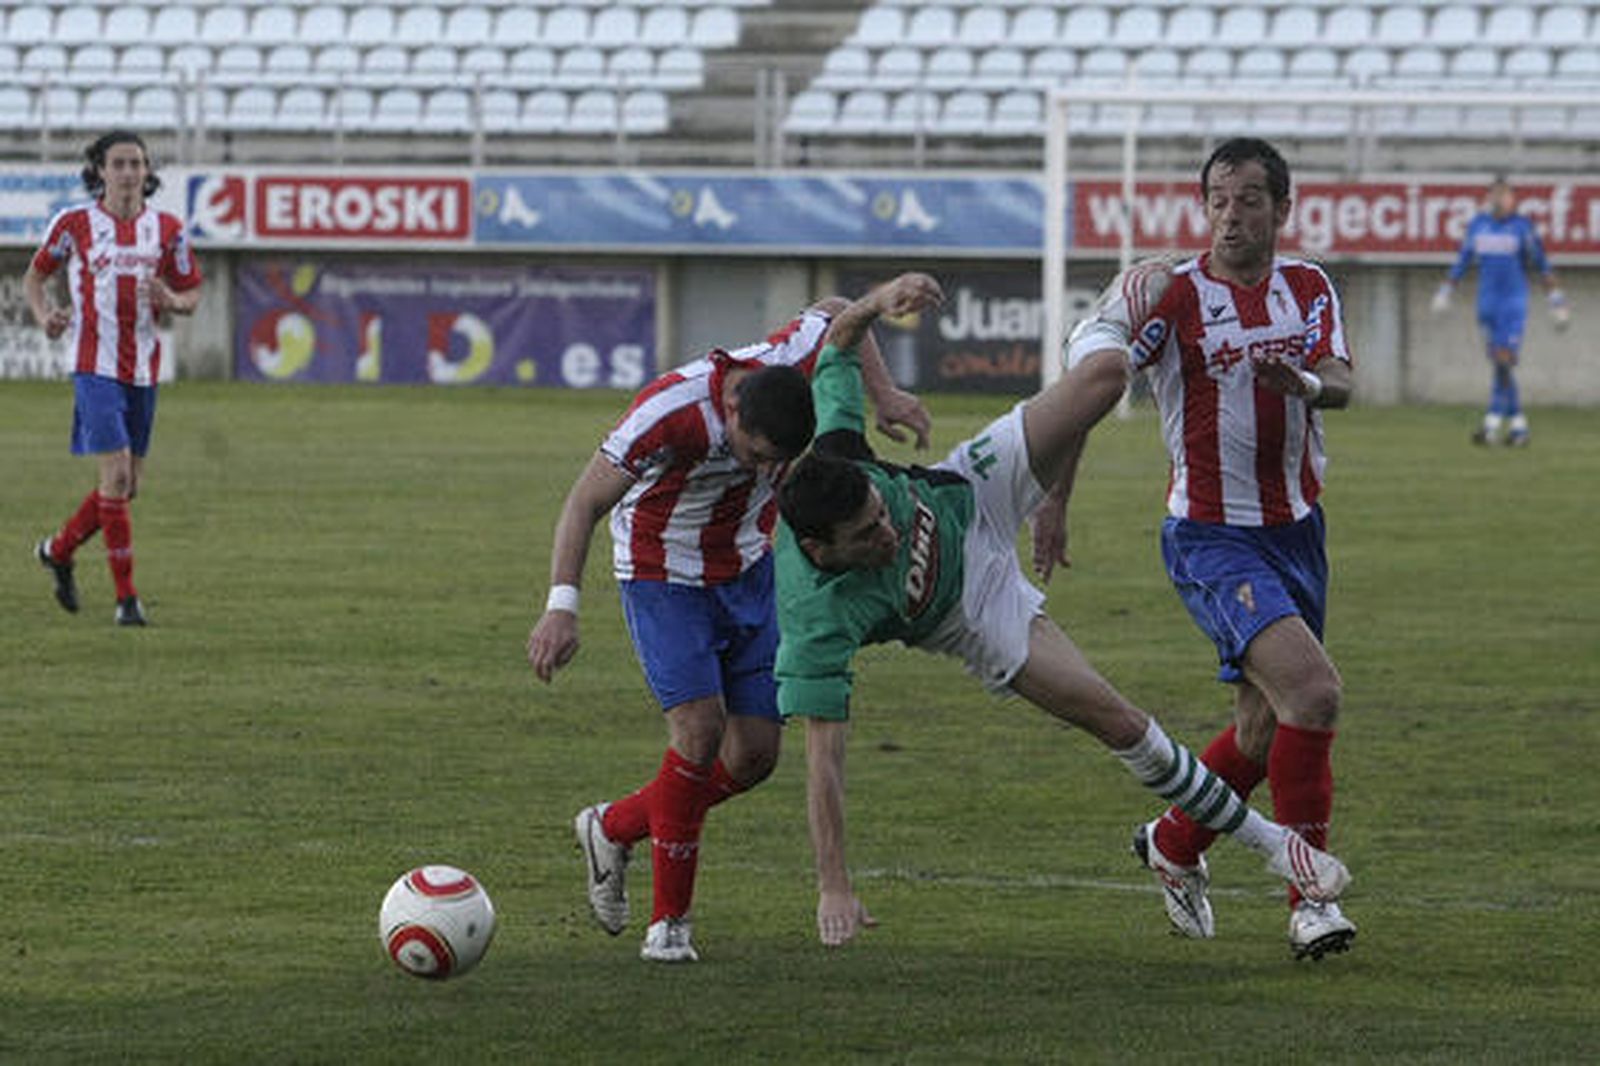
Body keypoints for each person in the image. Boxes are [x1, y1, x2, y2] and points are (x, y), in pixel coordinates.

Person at [774, 271, 1352, 952]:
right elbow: (824, 762)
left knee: (1104, 377)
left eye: (882, 514)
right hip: (971, 610)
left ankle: (1105, 317)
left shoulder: (842, 458)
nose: (889, 534)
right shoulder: (815, 622)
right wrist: (833, 883)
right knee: (1118, 720)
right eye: (869, 537)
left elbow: (840, 333)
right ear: (820, 550)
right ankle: (1275, 847)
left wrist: (879, 303)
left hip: (972, 486)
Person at [527, 282, 932, 963]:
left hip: (748, 569)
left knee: (753, 757)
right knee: (699, 729)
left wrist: (883, 394)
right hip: (663, 573)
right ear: (733, 411)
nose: (769, 471)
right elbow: (582, 502)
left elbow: (839, 312)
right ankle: (670, 926)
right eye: (756, 456)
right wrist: (560, 607)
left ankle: (615, 827)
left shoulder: (793, 357)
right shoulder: (668, 412)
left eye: (779, 462)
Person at [1034, 137, 1357, 960]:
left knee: (1259, 729)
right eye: (1218, 198)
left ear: (1283, 210)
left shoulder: (1309, 285)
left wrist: (1308, 387)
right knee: (1312, 693)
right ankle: (1309, 897)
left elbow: (1343, 381)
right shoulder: (1174, 296)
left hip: (1296, 530)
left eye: (1249, 199)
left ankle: (1175, 841)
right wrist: (1055, 499)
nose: (1230, 215)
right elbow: (1090, 391)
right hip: (1209, 535)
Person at [25, 130, 203, 627]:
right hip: (93, 366)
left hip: (143, 370)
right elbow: (35, 276)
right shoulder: (75, 223)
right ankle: (127, 600)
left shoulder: (166, 230)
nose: (128, 172)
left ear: (148, 172)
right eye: (119, 163)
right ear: (100, 171)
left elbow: (191, 293)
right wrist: (45, 317)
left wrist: (172, 301)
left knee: (126, 488)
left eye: (137, 164)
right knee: (118, 476)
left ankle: (58, 551)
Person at [1431, 175, 1568, 447]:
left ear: (1512, 199)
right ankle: (1518, 428)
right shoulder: (1478, 226)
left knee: (1504, 361)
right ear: (1489, 197)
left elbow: (1542, 264)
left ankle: (1493, 424)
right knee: (1499, 364)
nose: (1500, 200)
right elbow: (1463, 260)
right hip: (1487, 304)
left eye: (1505, 195)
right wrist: (1446, 291)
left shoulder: (1522, 228)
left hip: (1512, 303)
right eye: (1495, 194)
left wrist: (1557, 301)